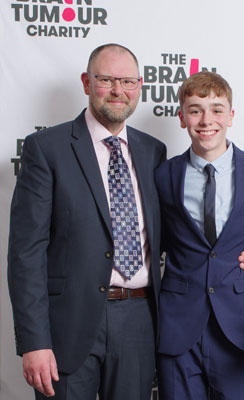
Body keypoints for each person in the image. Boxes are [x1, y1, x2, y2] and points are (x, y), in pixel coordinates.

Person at [7, 43, 167, 399]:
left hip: (139, 320)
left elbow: (171, 235)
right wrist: (34, 341)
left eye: (126, 81)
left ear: (139, 85)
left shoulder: (153, 152)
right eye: (106, 79)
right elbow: (26, 253)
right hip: (68, 324)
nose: (117, 91)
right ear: (86, 82)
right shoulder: (46, 148)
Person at [155, 71, 244, 399]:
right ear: (181, 118)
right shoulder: (163, 175)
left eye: (217, 109)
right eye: (195, 110)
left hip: (238, 325)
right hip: (178, 326)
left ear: (231, 116)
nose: (206, 119)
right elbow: (154, 244)